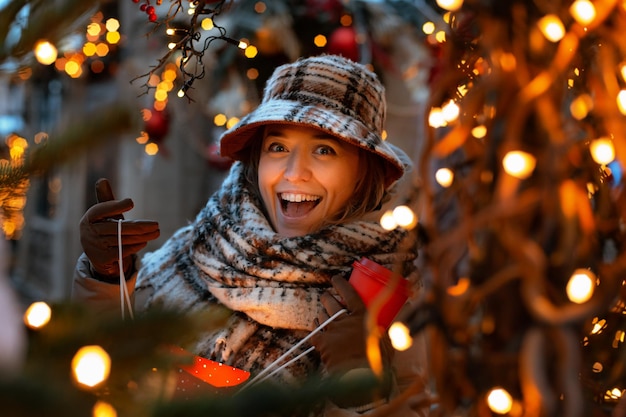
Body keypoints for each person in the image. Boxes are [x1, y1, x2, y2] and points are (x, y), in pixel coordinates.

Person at [73, 54, 428, 416]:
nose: (294, 172)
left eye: (324, 150)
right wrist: (106, 277)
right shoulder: (204, 244)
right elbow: (105, 365)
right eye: (278, 147)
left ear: (364, 172)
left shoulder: (386, 303)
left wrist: (363, 390)